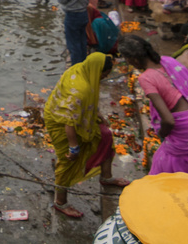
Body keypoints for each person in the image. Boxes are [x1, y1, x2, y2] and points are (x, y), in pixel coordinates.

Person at [119, 36, 188, 175]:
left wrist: (162, 136)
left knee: (163, 172)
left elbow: (168, 120)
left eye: (127, 59)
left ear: (133, 59)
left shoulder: (146, 78)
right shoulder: (169, 61)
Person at [43, 53, 126, 218]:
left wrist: (98, 113)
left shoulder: (81, 69)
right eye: (103, 75)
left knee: (105, 135)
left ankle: (106, 177)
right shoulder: (82, 90)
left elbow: (81, 106)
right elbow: (69, 124)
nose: (103, 78)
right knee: (67, 162)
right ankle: (60, 202)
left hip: (71, 115)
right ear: (96, 71)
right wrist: (74, 148)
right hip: (60, 121)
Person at [55, 0, 96, 65]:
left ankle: (77, 66)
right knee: (82, 40)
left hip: (72, 16)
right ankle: (83, 63)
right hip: (83, 14)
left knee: (73, 44)